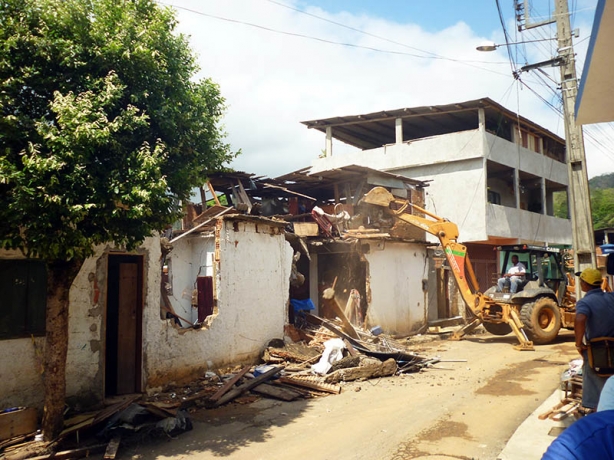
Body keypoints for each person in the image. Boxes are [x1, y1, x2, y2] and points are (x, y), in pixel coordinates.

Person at [574, 267, 614, 411]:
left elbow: (580, 319)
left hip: (597, 351)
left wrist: (579, 344)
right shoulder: (611, 296)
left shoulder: (585, 302)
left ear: (585, 284)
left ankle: (594, 410)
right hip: (612, 347)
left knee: (591, 375)